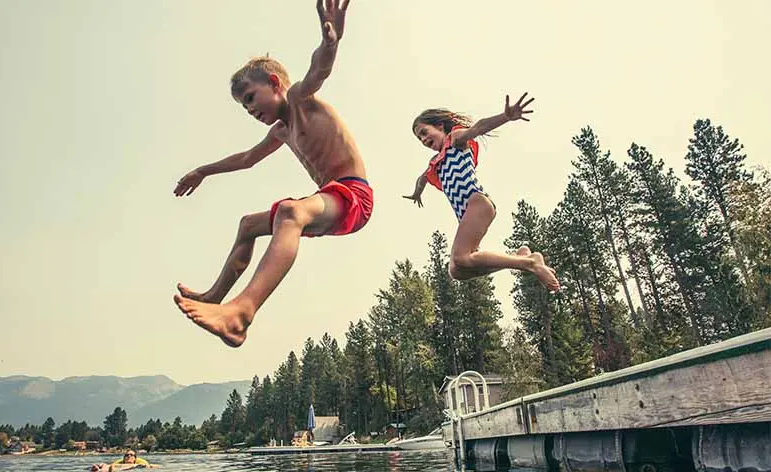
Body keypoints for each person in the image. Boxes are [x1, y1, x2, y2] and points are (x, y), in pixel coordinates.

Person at [172, 0, 372, 347]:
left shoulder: (299, 99)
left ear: (275, 83)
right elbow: (248, 158)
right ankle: (215, 298)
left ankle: (241, 314)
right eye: (244, 106)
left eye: (251, 98)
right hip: (330, 199)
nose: (249, 109)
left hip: (353, 196)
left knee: (291, 212)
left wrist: (330, 43)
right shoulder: (281, 130)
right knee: (248, 225)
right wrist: (202, 171)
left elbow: (319, 71)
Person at [403, 93, 560, 292]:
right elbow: (423, 178)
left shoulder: (454, 140)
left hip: (476, 202)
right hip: (466, 213)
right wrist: (417, 193)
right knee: (458, 270)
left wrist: (505, 117)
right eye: (420, 138)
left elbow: (478, 127)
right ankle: (521, 259)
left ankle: (531, 264)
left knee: (461, 257)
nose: (424, 139)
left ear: (440, 126)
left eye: (425, 132)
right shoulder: (435, 163)